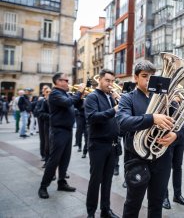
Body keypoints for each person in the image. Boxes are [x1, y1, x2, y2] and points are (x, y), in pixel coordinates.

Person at [116, 60, 176, 218]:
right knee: (132, 203)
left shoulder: (164, 98)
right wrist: (152, 118)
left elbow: (180, 123)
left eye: (152, 76)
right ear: (136, 78)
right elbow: (123, 122)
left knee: (156, 204)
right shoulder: (127, 98)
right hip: (137, 158)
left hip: (161, 158)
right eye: (144, 76)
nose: (149, 80)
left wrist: (175, 134)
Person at [38, 72, 85, 199]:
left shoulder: (64, 93)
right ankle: (43, 186)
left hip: (67, 130)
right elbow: (68, 103)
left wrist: (81, 97)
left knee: (65, 158)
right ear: (58, 82)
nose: (68, 82)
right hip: (58, 131)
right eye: (66, 80)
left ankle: (61, 182)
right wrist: (79, 92)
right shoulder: (55, 93)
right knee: (54, 160)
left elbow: (77, 105)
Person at [84, 69, 120, 218]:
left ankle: (105, 210)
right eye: (107, 80)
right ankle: (91, 213)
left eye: (112, 81)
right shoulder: (92, 97)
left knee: (108, 180)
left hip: (112, 144)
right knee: (95, 180)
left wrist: (118, 101)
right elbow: (92, 117)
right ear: (99, 79)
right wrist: (114, 109)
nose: (110, 84)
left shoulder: (110, 97)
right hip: (98, 145)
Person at [162, 123, 184, 209]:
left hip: (180, 137)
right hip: (167, 136)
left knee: (178, 168)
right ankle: (164, 197)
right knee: (165, 169)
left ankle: (177, 195)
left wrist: (179, 133)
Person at [37, 86, 52, 167]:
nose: (48, 93)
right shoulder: (43, 101)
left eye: (50, 92)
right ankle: (46, 160)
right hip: (45, 124)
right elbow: (39, 112)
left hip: (54, 126)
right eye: (46, 92)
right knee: (46, 143)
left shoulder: (54, 101)